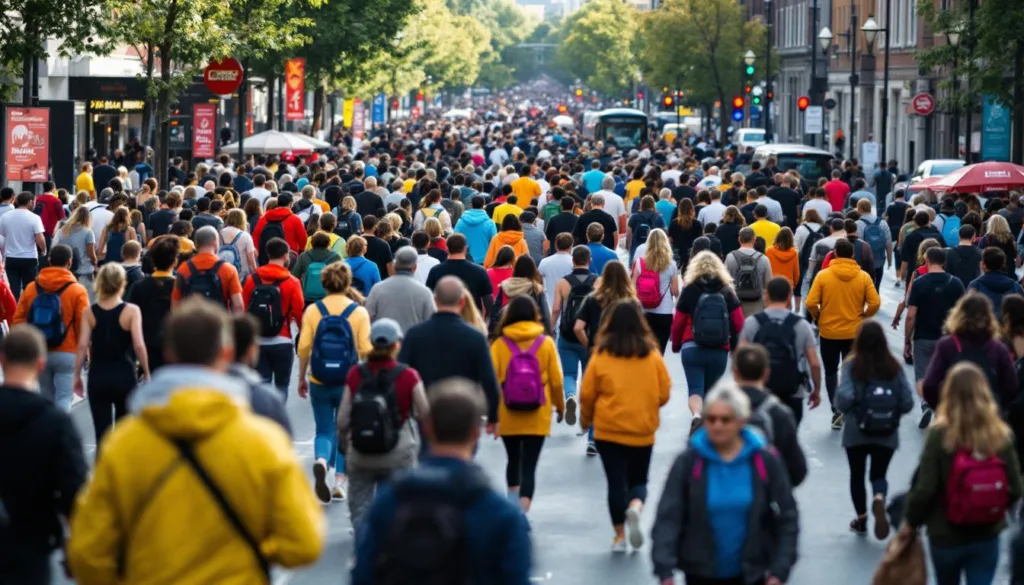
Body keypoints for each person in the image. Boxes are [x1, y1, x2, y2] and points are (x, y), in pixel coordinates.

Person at [67, 297, 325, 584]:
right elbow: (303, 542)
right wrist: (250, 554)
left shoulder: (124, 443)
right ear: (226, 353)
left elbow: (86, 552)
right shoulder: (263, 441)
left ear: (168, 352)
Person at [350, 379, 531, 585]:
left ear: (427, 428)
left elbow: (362, 576)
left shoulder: (388, 502)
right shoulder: (500, 513)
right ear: (475, 432)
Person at [651, 381, 799, 585]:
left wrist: (779, 571)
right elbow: (668, 515)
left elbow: (788, 515)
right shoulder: (689, 461)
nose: (717, 425)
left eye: (725, 419)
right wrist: (664, 570)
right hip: (699, 573)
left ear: (741, 420)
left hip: (751, 573)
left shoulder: (764, 460)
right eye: (710, 419)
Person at [904, 362, 1023, 585]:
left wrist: (911, 522)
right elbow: (1015, 487)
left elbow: (926, 486)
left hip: (945, 532)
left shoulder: (940, 434)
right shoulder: (1000, 434)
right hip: (986, 531)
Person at [580, 299, 671, 552]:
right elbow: (664, 393)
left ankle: (619, 536)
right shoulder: (652, 355)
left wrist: (586, 419)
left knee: (614, 482)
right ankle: (635, 507)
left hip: (608, 430)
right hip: (642, 428)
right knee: (639, 480)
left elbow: (587, 394)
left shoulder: (601, 355)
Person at [0, 325, 88, 584]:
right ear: (40, 365)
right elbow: (75, 493)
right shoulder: (55, 423)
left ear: (3, 360)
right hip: (32, 547)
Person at [337, 318, 428, 531]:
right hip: (399, 452)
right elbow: (425, 413)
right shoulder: (408, 376)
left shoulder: (356, 374)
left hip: (361, 452)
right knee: (399, 504)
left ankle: (364, 544)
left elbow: (342, 419)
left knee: (360, 505)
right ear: (397, 344)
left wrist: (345, 444)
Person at [297, 261, 372, 502]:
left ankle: (321, 460)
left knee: (324, 428)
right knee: (345, 430)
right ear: (348, 282)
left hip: (319, 377)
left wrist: (301, 376)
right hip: (348, 379)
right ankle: (340, 479)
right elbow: (365, 349)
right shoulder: (358, 311)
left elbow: (304, 347)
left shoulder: (314, 310)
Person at [834, 320, 915, 538]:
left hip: (856, 430)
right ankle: (879, 496)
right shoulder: (893, 366)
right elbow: (907, 402)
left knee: (857, 475)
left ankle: (861, 519)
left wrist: (854, 407)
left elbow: (843, 398)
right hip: (887, 430)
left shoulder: (853, 365)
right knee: (879, 473)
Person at [490, 295, 564, 515]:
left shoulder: (500, 344)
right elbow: (557, 381)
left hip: (508, 411)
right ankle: (523, 510)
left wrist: (492, 414)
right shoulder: (546, 343)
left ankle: (512, 508)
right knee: (529, 465)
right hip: (538, 412)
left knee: (513, 460)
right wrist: (560, 407)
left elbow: (491, 380)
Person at [805, 239, 881, 429]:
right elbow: (875, 303)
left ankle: (836, 410)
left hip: (829, 332)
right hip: (854, 332)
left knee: (831, 371)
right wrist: (863, 317)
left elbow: (811, 302)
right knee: (852, 371)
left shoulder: (823, 276)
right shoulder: (863, 277)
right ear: (853, 254)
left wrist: (818, 317)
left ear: (835, 253)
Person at [72, 263, 149, 443]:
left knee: (102, 433)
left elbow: (83, 345)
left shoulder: (90, 312)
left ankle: (101, 468)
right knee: (124, 433)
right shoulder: (131, 311)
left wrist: (77, 375)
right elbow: (138, 345)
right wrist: (146, 371)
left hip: (98, 374)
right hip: (124, 373)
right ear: (122, 283)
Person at [671, 250, 745, 431]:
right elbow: (739, 322)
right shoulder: (726, 290)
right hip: (719, 348)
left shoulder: (689, 289)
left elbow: (679, 321)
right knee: (711, 391)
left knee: (696, 390)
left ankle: (697, 415)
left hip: (692, 346)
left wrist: (675, 344)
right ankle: (708, 425)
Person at [11, 245, 89, 412]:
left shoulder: (32, 288)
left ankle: (45, 433)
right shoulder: (78, 290)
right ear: (70, 262)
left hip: (39, 350)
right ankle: (58, 434)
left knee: (45, 396)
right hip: (68, 351)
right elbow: (84, 325)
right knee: (64, 398)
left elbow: (18, 320)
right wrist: (86, 352)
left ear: (49, 261)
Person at [738, 277, 822, 425]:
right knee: (787, 439)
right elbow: (814, 363)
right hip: (792, 392)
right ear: (790, 296)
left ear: (766, 295)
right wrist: (816, 390)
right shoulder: (801, 325)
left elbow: (740, 359)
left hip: (758, 393)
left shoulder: (752, 323)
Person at [921, 293, 1018, 412]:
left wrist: (941, 409)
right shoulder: (998, 349)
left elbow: (929, 385)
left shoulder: (948, 344)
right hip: (986, 417)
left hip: (952, 414)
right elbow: (1011, 387)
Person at [905, 246, 966, 428]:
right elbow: (962, 312)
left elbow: (911, 315)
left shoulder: (919, 283)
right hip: (948, 338)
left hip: (923, 336)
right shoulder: (956, 283)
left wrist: (907, 340)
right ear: (944, 262)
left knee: (922, 375)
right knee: (946, 374)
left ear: (927, 260)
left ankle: (925, 404)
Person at [730, 345, 808, 485]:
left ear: (734, 372)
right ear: (766, 374)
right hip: (763, 496)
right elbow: (797, 470)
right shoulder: (779, 413)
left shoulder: (716, 411)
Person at [242, 237, 304, 400]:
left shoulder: (252, 279)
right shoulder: (292, 282)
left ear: (267, 254)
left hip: (258, 340)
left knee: (262, 384)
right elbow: (298, 313)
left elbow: (243, 308)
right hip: (282, 339)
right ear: (285, 256)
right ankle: (276, 418)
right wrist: (302, 335)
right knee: (282, 385)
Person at [228, 314, 292, 434]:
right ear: (252, 349)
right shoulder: (263, 397)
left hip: (262, 340)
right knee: (282, 384)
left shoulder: (206, 388)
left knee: (264, 379)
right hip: (283, 339)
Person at [172, 225, 244, 312]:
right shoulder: (228, 269)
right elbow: (238, 305)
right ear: (215, 242)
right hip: (220, 322)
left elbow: (175, 304)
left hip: (191, 322)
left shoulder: (184, 269)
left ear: (196, 244)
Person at [365, 247, 436, 334]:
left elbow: (367, 316)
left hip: (384, 342)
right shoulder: (424, 292)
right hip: (412, 342)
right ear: (414, 267)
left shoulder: (378, 288)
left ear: (394, 266)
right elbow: (432, 321)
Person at [631, 228, 680, 353]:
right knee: (660, 350)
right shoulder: (671, 264)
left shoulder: (640, 263)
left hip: (644, 311)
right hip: (664, 312)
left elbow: (632, 287)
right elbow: (675, 291)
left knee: (644, 350)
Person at [425, 234, 494, 315]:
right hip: (471, 318)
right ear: (465, 248)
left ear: (447, 249)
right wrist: (486, 319)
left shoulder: (435, 271)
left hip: (444, 318)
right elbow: (488, 300)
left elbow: (429, 297)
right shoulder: (480, 271)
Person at [0, 192, 45, 299]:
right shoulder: (34, 218)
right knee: (30, 288)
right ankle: (27, 312)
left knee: (13, 288)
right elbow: (40, 238)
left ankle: (14, 312)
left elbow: (3, 234)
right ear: (30, 202)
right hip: (29, 258)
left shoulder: (5, 217)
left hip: (11, 257)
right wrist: (44, 250)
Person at [725, 227, 773, 317]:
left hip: (736, 307)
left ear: (739, 239)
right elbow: (769, 285)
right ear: (754, 239)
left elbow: (725, 283)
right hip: (757, 306)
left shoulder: (730, 257)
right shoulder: (764, 259)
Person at [967, 247, 1024, 319]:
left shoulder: (975, 286)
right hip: (1008, 327)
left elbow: (969, 313)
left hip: (984, 327)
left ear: (983, 265)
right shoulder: (1015, 287)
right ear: (1002, 264)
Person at [252, 193, 308, 261]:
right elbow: (303, 240)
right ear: (291, 204)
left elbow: (255, 235)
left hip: (267, 257)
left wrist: (257, 251)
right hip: (288, 257)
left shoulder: (264, 218)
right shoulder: (296, 219)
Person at [454, 195, 497, 264]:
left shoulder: (461, 221)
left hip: (464, 259)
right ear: (484, 206)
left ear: (471, 205)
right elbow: (494, 243)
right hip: (484, 260)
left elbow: (454, 239)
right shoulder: (490, 223)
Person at [221, 208, 259, 281]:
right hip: (240, 274)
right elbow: (251, 259)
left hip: (223, 271)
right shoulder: (245, 236)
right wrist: (255, 271)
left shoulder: (219, 233)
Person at [627, 195, 667, 263]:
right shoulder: (658, 217)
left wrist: (629, 246)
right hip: (654, 249)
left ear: (641, 204)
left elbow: (629, 234)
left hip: (636, 247)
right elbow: (664, 234)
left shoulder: (634, 217)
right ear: (653, 204)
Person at [669, 198, 704, 269]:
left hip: (678, 256)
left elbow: (670, 240)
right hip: (693, 257)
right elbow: (701, 241)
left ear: (679, 209)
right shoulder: (697, 224)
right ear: (692, 208)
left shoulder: (673, 223)